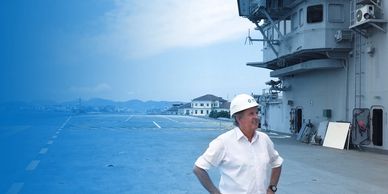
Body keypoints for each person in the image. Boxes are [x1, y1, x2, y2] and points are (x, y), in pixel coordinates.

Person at [193, 94, 283, 194]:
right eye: (251, 114)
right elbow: (199, 168)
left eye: (256, 113)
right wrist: (215, 192)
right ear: (239, 118)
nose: (256, 117)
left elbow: (277, 163)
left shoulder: (264, 139)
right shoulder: (224, 142)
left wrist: (272, 188)